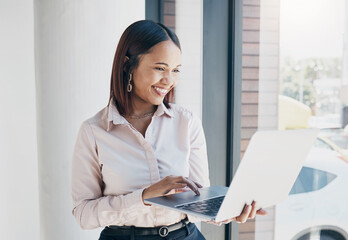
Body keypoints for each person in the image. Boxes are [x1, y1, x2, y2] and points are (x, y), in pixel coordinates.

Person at [71, 20, 267, 240]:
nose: (169, 80)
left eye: (175, 70)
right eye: (160, 68)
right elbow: (83, 214)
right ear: (127, 65)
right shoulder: (93, 131)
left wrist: (227, 211)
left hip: (185, 235)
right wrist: (144, 197)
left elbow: (198, 201)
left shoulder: (186, 122)